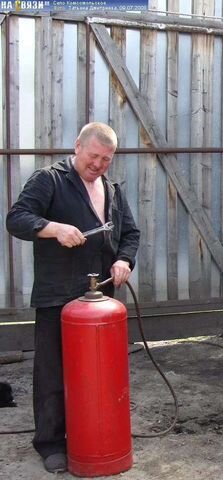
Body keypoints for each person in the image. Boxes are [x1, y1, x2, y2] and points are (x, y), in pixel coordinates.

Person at [6, 122, 140, 473]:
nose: (98, 165)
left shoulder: (112, 189)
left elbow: (130, 232)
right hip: (57, 294)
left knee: (98, 372)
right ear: (77, 146)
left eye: (106, 160)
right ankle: (50, 443)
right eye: (94, 156)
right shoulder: (48, 180)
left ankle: (94, 432)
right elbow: (16, 219)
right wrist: (54, 229)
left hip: (101, 296)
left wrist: (125, 259)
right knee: (51, 370)